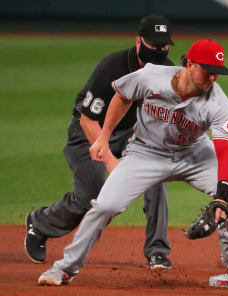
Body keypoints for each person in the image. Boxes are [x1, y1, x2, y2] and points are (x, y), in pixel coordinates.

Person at [37, 39, 228, 286]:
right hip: (146, 152)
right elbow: (122, 96)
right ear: (189, 64)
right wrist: (103, 138)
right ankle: (64, 268)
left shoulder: (219, 103)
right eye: (208, 70)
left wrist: (221, 196)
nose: (213, 78)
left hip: (194, 154)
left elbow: (225, 151)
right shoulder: (151, 76)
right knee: (105, 205)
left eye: (217, 73)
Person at [25, 15, 175, 270]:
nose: (159, 52)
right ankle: (39, 224)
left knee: (156, 179)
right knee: (92, 193)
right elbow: (88, 121)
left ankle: (157, 251)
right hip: (87, 132)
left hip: (130, 133)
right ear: (138, 41)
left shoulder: (167, 71)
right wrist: (110, 161)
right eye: (153, 46)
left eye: (163, 47)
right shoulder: (113, 67)